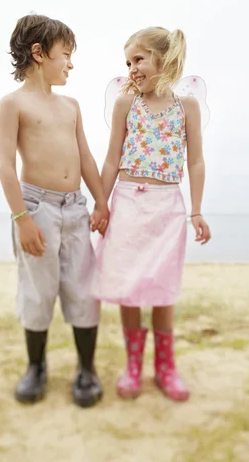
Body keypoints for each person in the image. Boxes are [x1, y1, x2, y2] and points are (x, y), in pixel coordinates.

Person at [92, 26, 211, 402]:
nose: (132, 69)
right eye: (128, 62)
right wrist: (101, 203)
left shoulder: (186, 106)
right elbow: (112, 158)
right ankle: (132, 366)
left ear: (165, 60)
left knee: (161, 288)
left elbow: (195, 161)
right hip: (127, 203)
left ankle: (165, 367)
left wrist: (196, 211)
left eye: (139, 59)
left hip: (167, 207)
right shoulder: (126, 104)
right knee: (129, 288)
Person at [0, 14, 108, 407]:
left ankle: (86, 369)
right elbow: (7, 167)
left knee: (82, 289)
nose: (71, 64)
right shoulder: (14, 104)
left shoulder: (71, 105)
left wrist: (101, 200)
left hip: (76, 208)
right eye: (66, 55)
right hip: (35, 208)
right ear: (39, 53)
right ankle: (36, 367)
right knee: (37, 290)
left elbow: (86, 155)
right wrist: (21, 218)